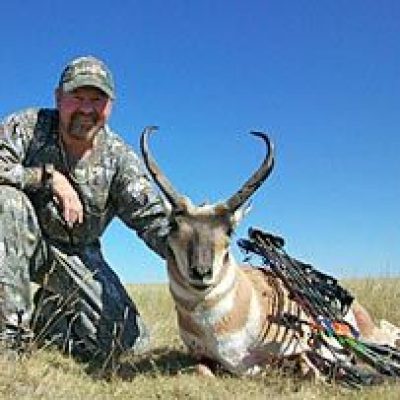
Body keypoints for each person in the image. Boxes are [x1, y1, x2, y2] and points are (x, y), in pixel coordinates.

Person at [0, 55, 169, 365]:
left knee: (128, 346)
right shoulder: (27, 126)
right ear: (57, 98)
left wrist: (198, 243)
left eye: (97, 100)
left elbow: (154, 220)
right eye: (77, 98)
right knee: (5, 201)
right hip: (23, 240)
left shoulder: (119, 159)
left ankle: (51, 318)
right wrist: (48, 178)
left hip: (78, 255)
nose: (86, 109)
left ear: (111, 105)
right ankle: (9, 338)